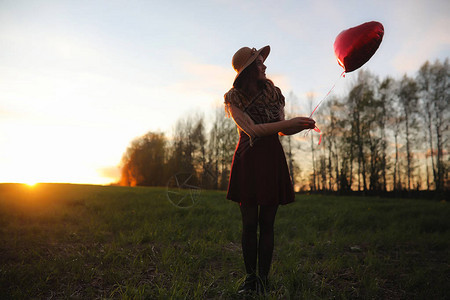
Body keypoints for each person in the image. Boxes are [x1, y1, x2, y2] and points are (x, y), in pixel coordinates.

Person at [224, 46, 316, 294]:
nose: (264, 66)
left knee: (267, 223)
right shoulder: (233, 98)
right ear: (248, 70)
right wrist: (287, 123)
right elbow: (251, 130)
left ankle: (263, 281)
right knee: (249, 223)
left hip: (271, 158)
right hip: (249, 159)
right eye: (259, 63)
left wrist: (299, 124)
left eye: (263, 62)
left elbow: (282, 128)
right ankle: (250, 279)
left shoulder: (274, 93)